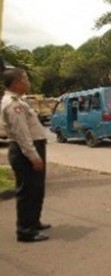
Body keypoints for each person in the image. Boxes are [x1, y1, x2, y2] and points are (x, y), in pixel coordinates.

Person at [1, 68, 50, 243]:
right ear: (16, 83)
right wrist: (33, 156)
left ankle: (34, 222)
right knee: (27, 191)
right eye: (26, 79)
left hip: (31, 148)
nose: (28, 82)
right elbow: (22, 134)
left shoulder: (20, 101)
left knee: (36, 190)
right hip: (25, 151)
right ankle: (25, 231)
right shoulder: (13, 104)